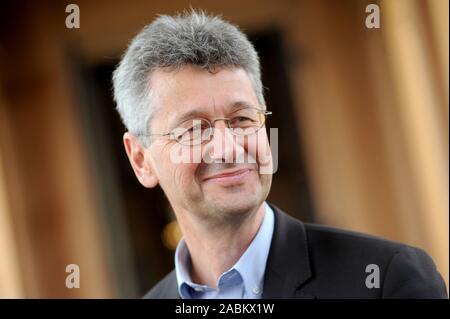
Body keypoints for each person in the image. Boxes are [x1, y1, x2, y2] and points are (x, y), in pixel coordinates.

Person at [112, 10, 447, 299]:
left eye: (242, 119)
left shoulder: (385, 280)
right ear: (141, 160)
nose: (229, 147)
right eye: (194, 130)